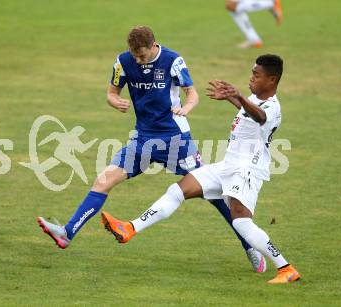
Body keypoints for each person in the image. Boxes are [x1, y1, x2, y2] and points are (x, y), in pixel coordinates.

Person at [37, 26, 265, 272]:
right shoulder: (123, 61)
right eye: (134, 55)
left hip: (175, 139)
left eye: (142, 56)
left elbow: (193, 93)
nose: (138, 60)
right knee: (103, 180)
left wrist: (187, 108)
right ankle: (67, 233)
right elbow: (111, 93)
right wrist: (116, 102)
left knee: (215, 195)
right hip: (142, 139)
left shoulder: (172, 60)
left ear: (154, 45)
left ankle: (250, 247)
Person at [102, 54, 301, 284]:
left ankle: (285, 267)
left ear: (272, 80)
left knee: (241, 222)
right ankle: (129, 228)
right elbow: (250, 111)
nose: (251, 79)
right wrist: (233, 99)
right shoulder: (254, 100)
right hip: (227, 166)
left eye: (257, 75)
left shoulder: (272, 107)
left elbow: (261, 118)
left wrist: (238, 96)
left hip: (245, 171)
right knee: (178, 190)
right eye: (252, 74)